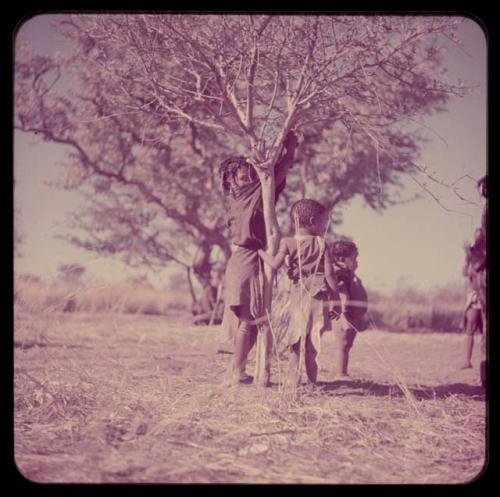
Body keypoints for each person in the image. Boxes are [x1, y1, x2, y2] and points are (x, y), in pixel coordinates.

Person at [219, 131, 298, 384]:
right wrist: (290, 146)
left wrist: (290, 146)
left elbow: (276, 173)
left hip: (256, 258)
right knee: (247, 320)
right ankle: (237, 373)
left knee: (255, 321)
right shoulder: (241, 198)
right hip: (245, 260)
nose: (251, 178)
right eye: (244, 175)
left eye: (253, 174)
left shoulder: (255, 193)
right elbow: (276, 172)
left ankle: (237, 369)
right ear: (230, 180)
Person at [258, 199, 338, 386]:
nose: (325, 225)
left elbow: (275, 264)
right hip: (319, 297)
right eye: (323, 221)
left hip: (298, 297)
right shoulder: (322, 244)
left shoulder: (288, 243)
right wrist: (336, 301)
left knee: (296, 341)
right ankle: (312, 383)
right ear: (312, 221)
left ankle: (292, 383)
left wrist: (260, 252)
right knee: (312, 344)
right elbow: (330, 275)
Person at [328, 239, 368, 379]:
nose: (357, 261)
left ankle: (343, 372)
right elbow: (342, 294)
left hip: (351, 314)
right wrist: (344, 316)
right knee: (342, 344)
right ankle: (340, 373)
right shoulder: (339, 273)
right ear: (341, 259)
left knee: (347, 344)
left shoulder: (348, 273)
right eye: (354, 258)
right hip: (343, 314)